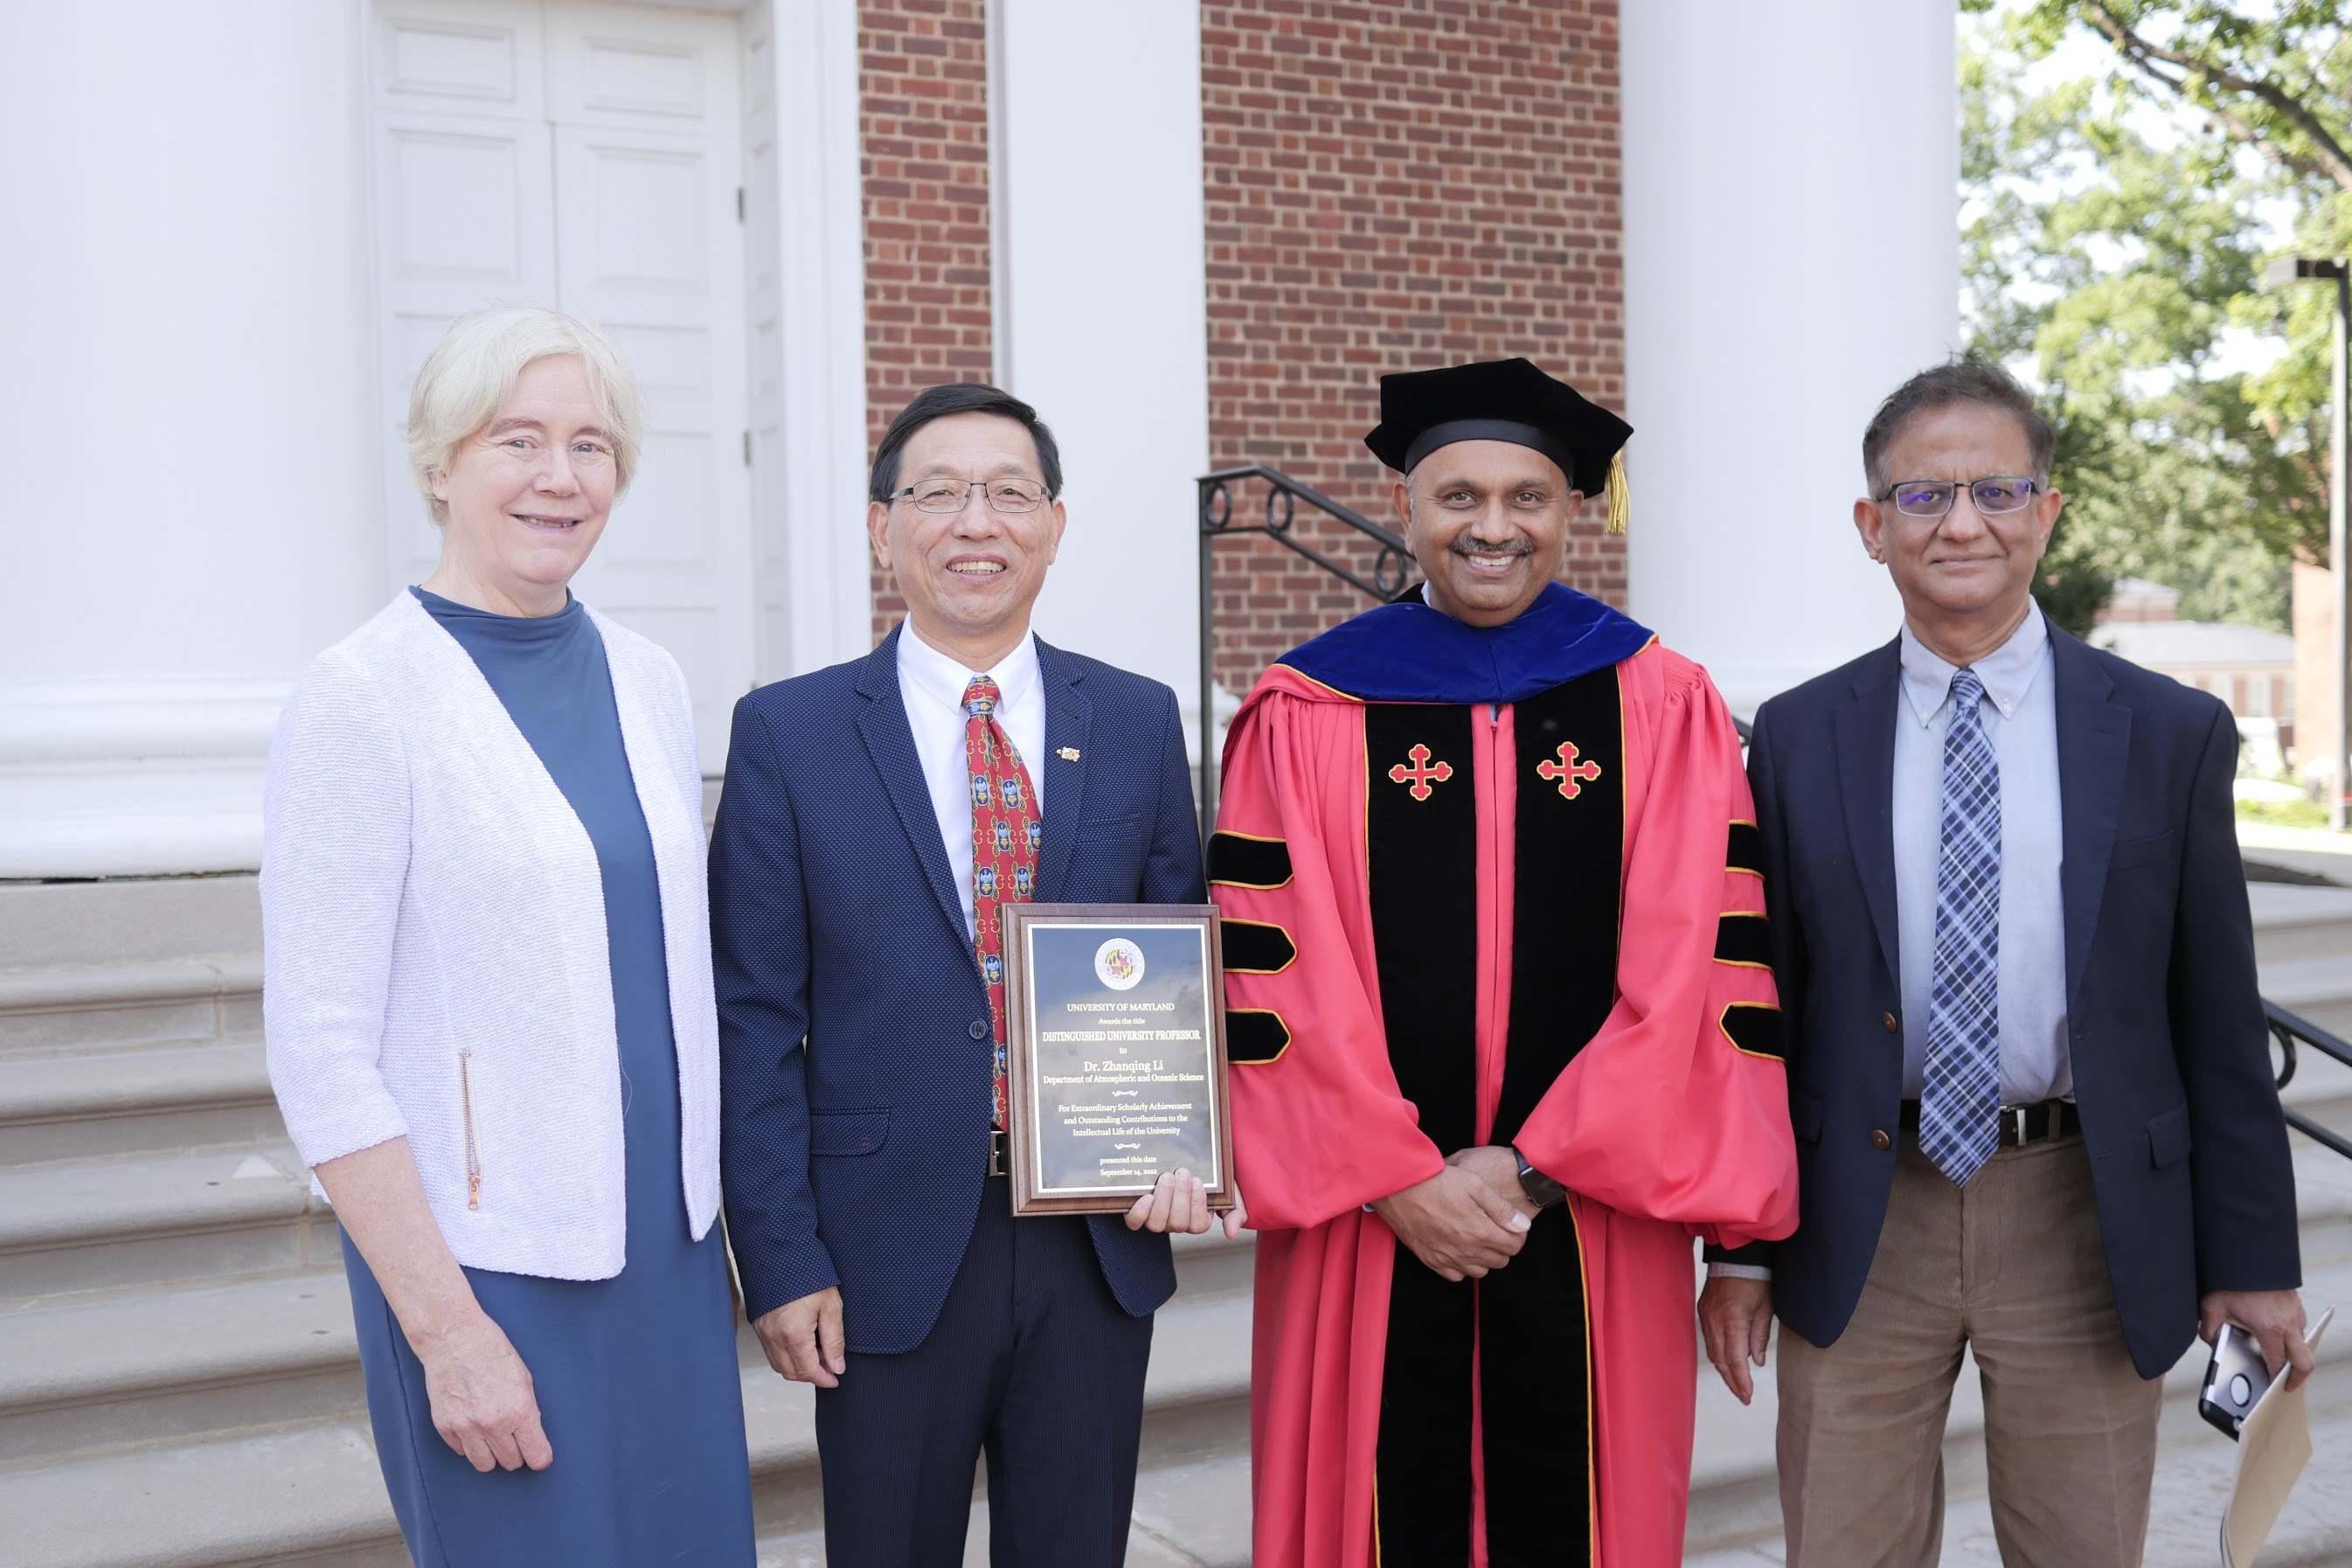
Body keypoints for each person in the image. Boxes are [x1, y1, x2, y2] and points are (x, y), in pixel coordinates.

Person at [1698, 358, 2312, 1568]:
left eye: (1996, 488)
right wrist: (1744, 1239)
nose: (1962, 521)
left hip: (2083, 1206)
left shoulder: (2167, 732)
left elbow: (2215, 1013)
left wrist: (2252, 1259)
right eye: (1923, 498)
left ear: (2048, 510)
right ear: (1873, 528)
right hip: (1861, 1207)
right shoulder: (1800, 734)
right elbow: (1765, 996)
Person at [1215, 357, 1800, 1568]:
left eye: (1526, 496)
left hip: (1591, 1216)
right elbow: (1273, 972)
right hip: (1371, 1217)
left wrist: (1534, 1169)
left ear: (1573, 509)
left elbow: (1698, 968)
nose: (1492, 525)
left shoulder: (1663, 700)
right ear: (1408, 508)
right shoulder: (1307, 707)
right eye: (1459, 495)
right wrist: (1395, 1173)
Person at [709, 381, 1237, 1568]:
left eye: (1008, 493)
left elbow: (1177, 964)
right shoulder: (788, 734)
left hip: (1095, 1239)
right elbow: (751, 1020)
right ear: (879, 524)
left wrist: (1189, 1149)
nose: (974, 523)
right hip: (881, 1244)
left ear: (1054, 523)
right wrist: (780, 1258)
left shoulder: (1139, 720)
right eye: (937, 493)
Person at [260, 307, 753, 1565]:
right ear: (439, 462)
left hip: (669, 1257)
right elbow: (319, 1050)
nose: (558, 476)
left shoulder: (649, 676)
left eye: (591, 446)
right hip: (492, 1269)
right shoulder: (362, 697)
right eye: (516, 439)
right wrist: (446, 1329)